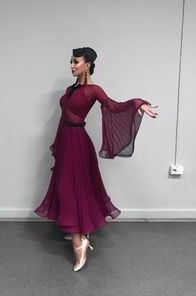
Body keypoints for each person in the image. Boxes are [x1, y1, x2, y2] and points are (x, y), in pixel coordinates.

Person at [34, 47, 158, 272]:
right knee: (67, 187)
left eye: (76, 62)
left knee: (75, 188)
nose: (72, 66)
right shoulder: (71, 89)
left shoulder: (94, 90)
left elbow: (114, 106)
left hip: (78, 143)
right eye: (71, 62)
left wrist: (138, 103)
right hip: (66, 140)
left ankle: (79, 242)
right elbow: (65, 116)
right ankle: (79, 229)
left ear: (88, 64)